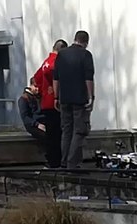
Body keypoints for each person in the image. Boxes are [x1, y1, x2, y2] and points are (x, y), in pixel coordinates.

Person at [52, 31, 95, 170]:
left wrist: (56, 97)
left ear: (75, 39)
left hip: (64, 99)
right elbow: (88, 78)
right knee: (79, 131)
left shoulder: (62, 54)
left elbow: (56, 78)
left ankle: (64, 162)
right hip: (79, 99)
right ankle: (72, 163)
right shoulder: (86, 55)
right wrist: (91, 97)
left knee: (66, 130)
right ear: (86, 42)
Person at [31, 39, 67, 168]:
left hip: (46, 102)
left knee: (51, 133)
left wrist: (41, 91)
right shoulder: (55, 62)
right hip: (54, 103)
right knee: (57, 134)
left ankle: (51, 159)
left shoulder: (45, 62)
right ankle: (55, 160)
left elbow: (36, 78)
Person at [16, 84, 53, 164]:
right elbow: (25, 117)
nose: (37, 89)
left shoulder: (38, 97)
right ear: (30, 86)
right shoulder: (24, 99)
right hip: (32, 124)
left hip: (43, 122)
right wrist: (37, 124)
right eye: (35, 87)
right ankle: (48, 158)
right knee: (46, 137)